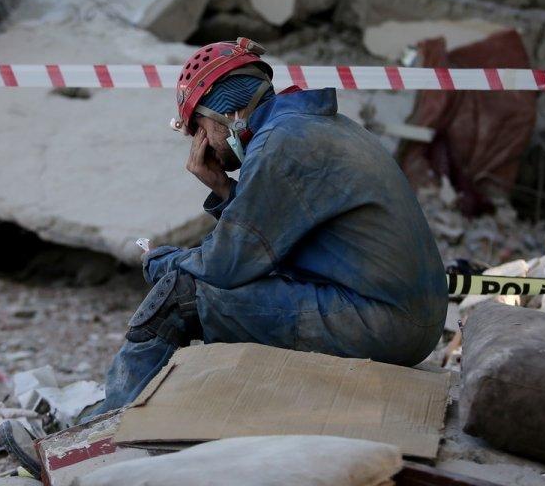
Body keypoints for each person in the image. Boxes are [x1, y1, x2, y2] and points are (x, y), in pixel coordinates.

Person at [83, 38, 448, 414]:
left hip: (383, 324)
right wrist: (222, 187)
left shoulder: (279, 143)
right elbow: (271, 238)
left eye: (201, 130)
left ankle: (108, 423)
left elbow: (226, 266)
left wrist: (162, 262)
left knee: (179, 296)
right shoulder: (311, 128)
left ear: (229, 113)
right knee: (210, 289)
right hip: (409, 319)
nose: (203, 144)